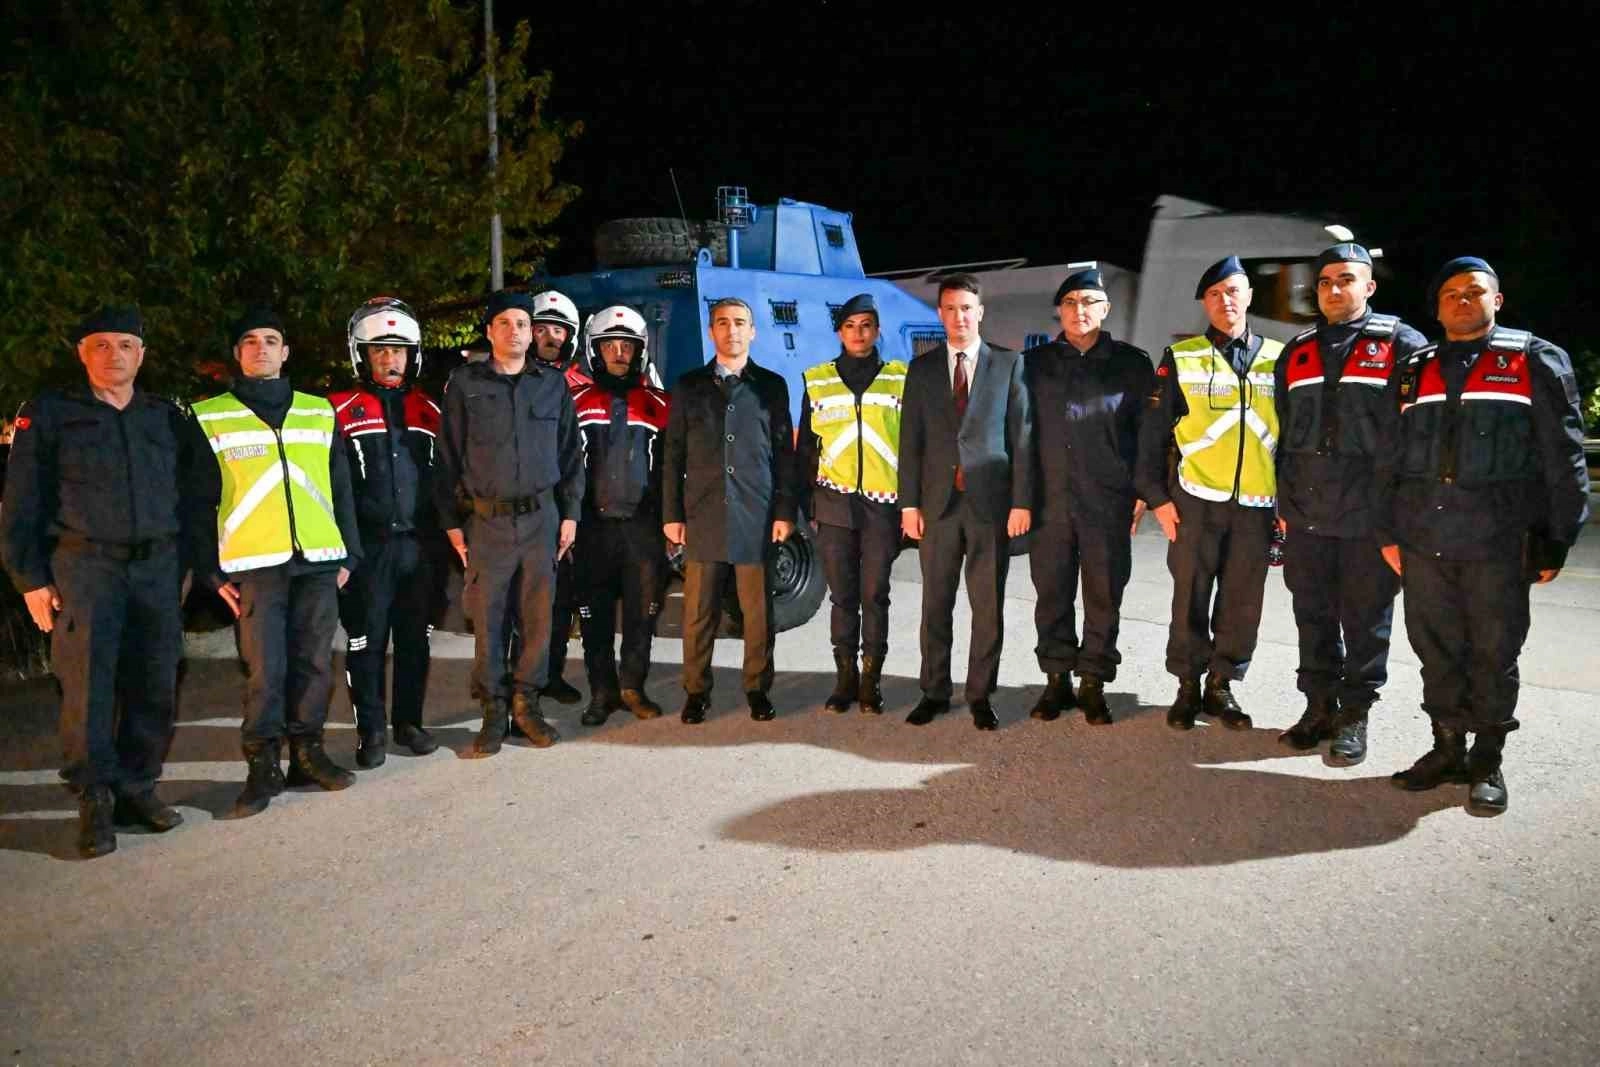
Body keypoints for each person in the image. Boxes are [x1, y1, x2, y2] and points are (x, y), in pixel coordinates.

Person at [1376, 256, 1589, 815]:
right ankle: (1447, 747)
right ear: (1437, 307)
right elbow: (1389, 457)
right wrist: (1387, 531)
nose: (1462, 300)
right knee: (1435, 649)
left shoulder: (1534, 360)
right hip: (1424, 540)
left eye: (1474, 291)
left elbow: (1563, 455)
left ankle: (1487, 758)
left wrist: (1559, 536)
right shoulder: (1414, 368)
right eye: (1450, 294)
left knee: (1494, 651)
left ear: (1497, 300)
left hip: (1499, 542)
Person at [1, 306, 195, 857]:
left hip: (156, 568)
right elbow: (20, 503)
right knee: (88, 688)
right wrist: (30, 580)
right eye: (102, 345)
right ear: (82, 353)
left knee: (155, 683)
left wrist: (184, 565)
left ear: (142, 355)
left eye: (126, 345)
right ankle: (95, 801)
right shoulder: (51, 415)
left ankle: (137, 788)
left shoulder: (164, 416)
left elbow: (194, 493)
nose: (115, 355)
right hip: (86, 569)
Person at [190, 306, 364, 817]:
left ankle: (308, 755)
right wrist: (210, 570)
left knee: (314, 662)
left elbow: (341, 488)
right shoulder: (209, 416)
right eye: (250, 341)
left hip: (318, 560)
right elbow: (196, 501)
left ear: (285, 352)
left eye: (270, 340)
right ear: (237, 354)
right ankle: (262, 766)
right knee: (265, 669)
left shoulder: (318, 411)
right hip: (254, 566)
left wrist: (350, 552)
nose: (261, 348)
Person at [1273, 244, 1428, 765]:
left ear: (1369, 286)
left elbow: (1419, 434)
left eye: (1346, 279)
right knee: (1311, 616)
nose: (1334, 289)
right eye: (1325, 282)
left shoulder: (1402, 344)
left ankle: (1354, 715)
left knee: (1366, 621)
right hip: (1306, 512)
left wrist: (1405, 514)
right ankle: (1318, 708)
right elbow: (1283, 433)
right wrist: (1282, 505)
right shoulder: (1297, 351)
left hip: (1370, 517)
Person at [1135, 257, 1285, 730]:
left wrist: (1288, 504)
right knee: (1190, 598)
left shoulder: (1280, 358)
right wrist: (1157, 499)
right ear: (1204, 303)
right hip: (1195, 501)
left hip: (1257, 505)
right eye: (1215, 294)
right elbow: (1152, 434)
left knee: (1242, 601)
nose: (1226, 301)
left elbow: (1294, 438)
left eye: (1233, 291)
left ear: (1249, 296)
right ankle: (1187, 686)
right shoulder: (1182, 357)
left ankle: (1222, 686)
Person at [434, 290, 584, 756]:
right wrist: (451, 522)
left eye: (522, 323)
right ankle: (494, 710)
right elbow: (447, 457)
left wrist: (571, 514)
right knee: (489, 619)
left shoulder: (552, 385)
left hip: (541, 519)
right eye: (505, 323)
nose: (515, 331)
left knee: (537, 619)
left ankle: (526, 705)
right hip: (488, 523)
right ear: (490, 331)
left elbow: (571, 454)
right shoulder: (465, 385)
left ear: (531, 332)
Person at [898, 273, 1033, 730]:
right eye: (951, 309)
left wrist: (1021, 503)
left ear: (981, 312)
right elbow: (910, 441)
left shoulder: (1008, 364)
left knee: (987, 607)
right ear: (941, 314)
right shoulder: (921, 369)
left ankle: (980, 694)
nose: (960, 317)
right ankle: (934, 692)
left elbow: (1021, 438)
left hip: (989, 507)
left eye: (967, 308)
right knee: (935, 605)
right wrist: (908, 505)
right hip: (936, 508)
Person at [1023, 264, 1154, 724]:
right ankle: (1057, 680)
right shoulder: (1034, 365)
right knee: (1052, 593)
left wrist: (1143, 491)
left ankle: (1094, 681)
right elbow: (1019, 434)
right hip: (1049, 501)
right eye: (1070, 303)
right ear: (1059, 311)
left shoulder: (1132, 364)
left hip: (1108, 500)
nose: (1080, 310)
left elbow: (1148, 434)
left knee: (1104, 594)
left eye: (1089, 302)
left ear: (1106, 309)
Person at [661, 297, 797, 724]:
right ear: (712, 331)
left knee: (758, 614)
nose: (732, 330)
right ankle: (696, 691)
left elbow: (784, 455)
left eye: (740, 322)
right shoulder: (688, 386)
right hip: (703, 516)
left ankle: (757, 688)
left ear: (752, 331)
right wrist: (671, 515)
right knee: (698, 614)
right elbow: (673, 454)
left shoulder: (771, 386)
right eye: (722, 322)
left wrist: (784, 512)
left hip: (756, 516)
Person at [327, 297, 443, 767]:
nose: (390, 359)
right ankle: (370, 732)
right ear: (362, 355)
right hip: (366, 551)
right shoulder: (337, 410)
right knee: (367, 643)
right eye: (379, 350)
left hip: (420, 549)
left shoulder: (430, 409)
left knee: (415, 641)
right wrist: (343, 553)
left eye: (398, 350)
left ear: (412, 355)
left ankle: (409, 723)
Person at [796, 293, 907, 714]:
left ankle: (870, 682)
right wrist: (807, 507)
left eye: (866, 325)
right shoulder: (817, 380)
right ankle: (845, 680)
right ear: (839, 332)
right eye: (850, 326)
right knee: (842, 596)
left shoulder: (900, 378)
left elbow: (914, 446)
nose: (858, 334)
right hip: (834, 506)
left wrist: (911, 505)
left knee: (874, 594)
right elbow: (806, 451)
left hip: (883, 507)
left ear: (877, 330)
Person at [568, 305, 671, 726]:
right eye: (609, 345)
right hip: (591, 530)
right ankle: (602, 692)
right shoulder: (575, 404)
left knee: (640, 616)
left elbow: (672, 469)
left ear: (640, 351)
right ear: (595, 350)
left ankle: (633, 687)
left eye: (627, 346)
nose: (619, 353)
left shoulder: (660, 404)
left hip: (643, 531)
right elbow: (562, 469)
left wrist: (672, 525)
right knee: (593, 619)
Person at [528, 289, 589, 707]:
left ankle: (552, 673)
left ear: (571, 335)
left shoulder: (585, 384)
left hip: (572, 507)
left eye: (558, 330)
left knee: (564, 598)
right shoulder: (514, 379)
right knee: (526, 601)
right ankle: (524, 680)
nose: (550, 336)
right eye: (542, 328)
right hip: (530, 508)